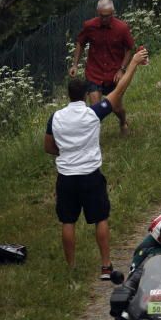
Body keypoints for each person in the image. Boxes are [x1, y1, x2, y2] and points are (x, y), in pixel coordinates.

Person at [45, 47, 148, 278]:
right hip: (90, 174)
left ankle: (71, 267)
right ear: (84, 95)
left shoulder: (55, 118)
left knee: (68, 222)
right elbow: (120, 89)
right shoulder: (94, 113)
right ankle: (105, 265)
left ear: (68, 95)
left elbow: (48, 146)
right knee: (100, 218)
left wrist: (65, 153)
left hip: (66, 177)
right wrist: (133, 63)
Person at [70, 0, 136, 135]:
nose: (104, 19)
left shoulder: (122, 28)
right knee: (95, 108)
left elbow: (130, 48)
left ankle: (123, 122)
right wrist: (75, 64)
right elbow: (80, 43)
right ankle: (92, 138)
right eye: (101, 16)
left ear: (112, 12)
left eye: (107, 16)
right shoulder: (89, 26)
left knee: (116, 108)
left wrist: (122, 69)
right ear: (97, 12)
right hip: (94, 72)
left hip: (114, 74)